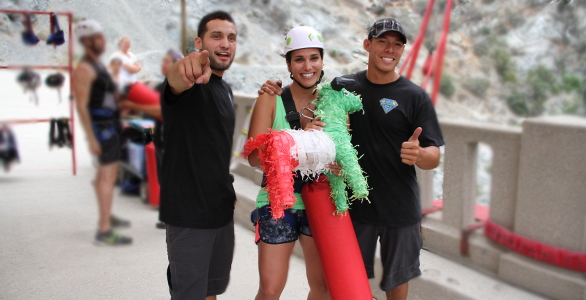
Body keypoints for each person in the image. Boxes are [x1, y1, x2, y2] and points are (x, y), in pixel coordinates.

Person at [259, 18, 445, 300]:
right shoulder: (342, 87)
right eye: (382, 41)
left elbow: (434, 156)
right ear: (367, 44)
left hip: (400, 208)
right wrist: (273, 91)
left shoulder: (415, 96)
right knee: (344, 285)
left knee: (396, 282)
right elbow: (319, 112)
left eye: (397, 44)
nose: (389, 49)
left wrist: (420, 155)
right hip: (352, 209)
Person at [247, 26, 330, 300]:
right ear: (288, 65)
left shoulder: (332, 102)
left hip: (320, 198)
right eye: (299, 59)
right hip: (277, 201)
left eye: (314, 58)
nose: (308, 66)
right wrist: (299, 142)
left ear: (322, 61)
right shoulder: (271, 98)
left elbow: (342, 153)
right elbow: (254, 157)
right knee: (270, 291)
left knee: (322, 288)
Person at [159, 11, 237, 300]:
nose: (225, 44)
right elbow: (176, 80)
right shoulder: (192, 83)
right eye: (216, 36)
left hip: (220, 211)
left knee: (210, 291)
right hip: (189, 215)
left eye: (231, 38)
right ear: (199, 42)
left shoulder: (224, 89)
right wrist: (186, 68)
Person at [73, 19, 132, 246]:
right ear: (87, 41)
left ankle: (106, 215)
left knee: (105, 174)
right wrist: (91, 138)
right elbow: (81, 105)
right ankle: (104, 229)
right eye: (98, 37)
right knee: (107, 175)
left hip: (110, 124)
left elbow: (106, 94)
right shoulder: (85, 68)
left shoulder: (96, 64)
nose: (103, 41)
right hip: (103, 129)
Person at [119, 48, 184, 229]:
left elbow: (163, 111)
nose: (162, 65)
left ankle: (173, 216)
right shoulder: (166, 84)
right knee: (163, 177)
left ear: (175, 64)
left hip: (172, 139)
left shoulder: (177, 86)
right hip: (162, 137)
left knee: (170, 178)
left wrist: (133, 104)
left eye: (166, 61)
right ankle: (167, 215)